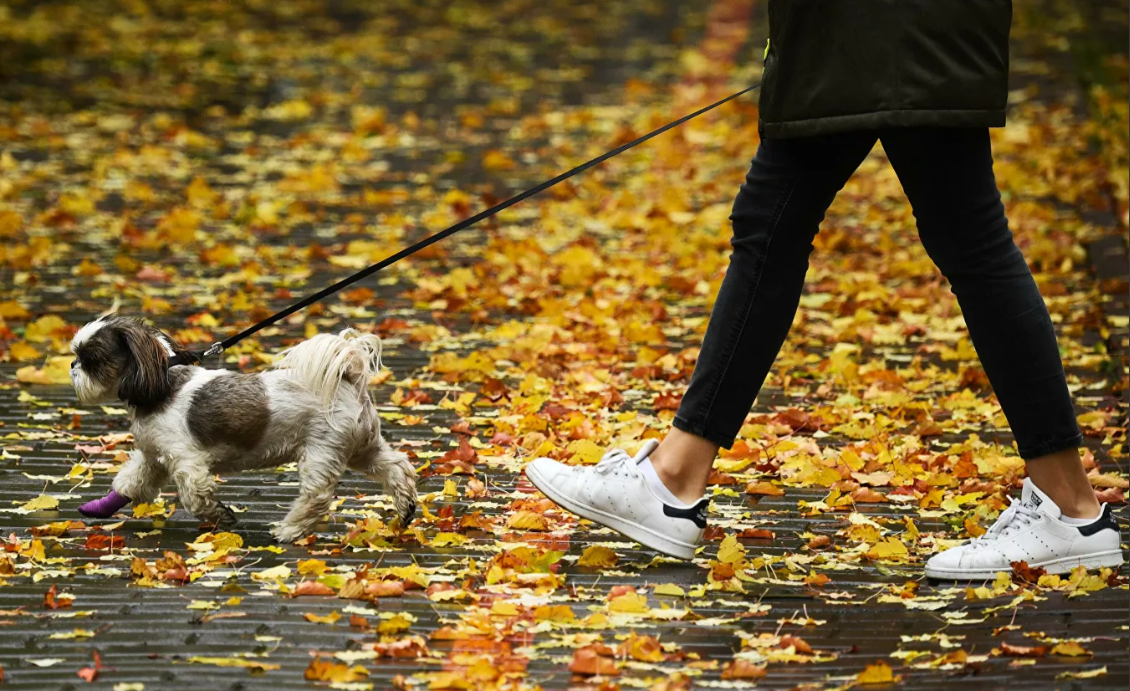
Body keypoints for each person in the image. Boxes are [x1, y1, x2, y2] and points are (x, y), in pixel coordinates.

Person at [525, 0, 1124, 579]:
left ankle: (1069, 507)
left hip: (880, 26)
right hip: (887, 28)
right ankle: (674, 476)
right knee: (803, 227)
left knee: (941, 239)